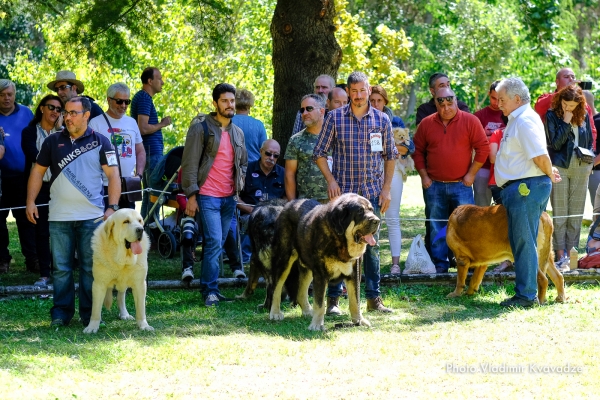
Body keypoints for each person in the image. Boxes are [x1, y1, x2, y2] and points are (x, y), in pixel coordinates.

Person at [26, 96, 121, 326]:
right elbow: (38, 172)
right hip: (59, 218)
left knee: (91, 268)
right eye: (65, 113)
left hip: (92, 218)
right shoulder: (51, 142)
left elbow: (113, 176)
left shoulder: (102, 142)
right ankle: (61, 313)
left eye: (72, 113)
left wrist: (113, 207)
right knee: (61, 269)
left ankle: (90, 315)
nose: (66, 117)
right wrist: (30, 201)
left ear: (86, 115)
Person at [313, 71, 398, 313]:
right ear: (348, 92)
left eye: (363, 90)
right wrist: (330, 180)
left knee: (371, 245)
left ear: (369, 91)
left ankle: (373, 299)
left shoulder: (382, 120)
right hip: (344, 200)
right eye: (354, 91)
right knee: (339, 244)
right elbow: (319, 153)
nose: (359, 96)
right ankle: (333, 301)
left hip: (371, 194)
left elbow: (391, 156)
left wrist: (386, 189)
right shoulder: (334, 118)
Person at [495, 77, 561, 308]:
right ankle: (525, 293)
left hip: (526, 188)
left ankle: (526, 295)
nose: (498, 104)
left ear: (516, 98)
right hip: (521, 187)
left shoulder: (524, 121)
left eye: (502, 99)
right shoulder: (518, 119)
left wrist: (549, 173)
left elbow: (539, 155)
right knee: (521, 241)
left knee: (524, 242)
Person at [180, 83, 247, 306]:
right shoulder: (201, 128)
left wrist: (238, 187)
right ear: (215, 103)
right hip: (207, 195)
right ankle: (209, 290)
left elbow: (243, 163)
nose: (230, 105)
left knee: (217, 242)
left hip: (229, 197)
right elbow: (189, 164)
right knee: (214, 241)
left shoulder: (237, 132)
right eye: (225, 101)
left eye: (232, 100)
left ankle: (213, 289)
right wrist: (191, 194)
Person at [413, 87, 489, 273]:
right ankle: (440, 265)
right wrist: (424, 176)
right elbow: (417, 152)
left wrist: (471, 174)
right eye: (442, 105)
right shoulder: (426, 123)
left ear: (456, 100)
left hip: (461, 185)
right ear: (435, 104)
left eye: (450, 103)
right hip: (434, 185)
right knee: (437, 225)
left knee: (466, 226)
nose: (446, 108)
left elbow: (483, 148)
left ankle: (468, 263)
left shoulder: (470, 121)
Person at [545, 84, 594, 271]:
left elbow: (589, 139)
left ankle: (572, 250)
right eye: (566, 104)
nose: (569, 108)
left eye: (573, 106)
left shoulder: (584, 115)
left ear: (579, 104)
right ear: (560, 100)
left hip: (582, 165)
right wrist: (566, 121)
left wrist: (589, 162)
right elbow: (555, 144)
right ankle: (560, 252)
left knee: (576, 211)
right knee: (560, 211)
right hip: (560, 165)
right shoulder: (551, 115)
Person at [368, 85, 414, 275]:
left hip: (393, 171)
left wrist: (390, 147)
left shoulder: (394, 120)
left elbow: (408, 149)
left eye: (379, 100)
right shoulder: (362, 119)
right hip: (368, 173)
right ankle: (368, 263)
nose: (376, 104)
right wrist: (392, 147)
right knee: (369, 219)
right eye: (372, 100)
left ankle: (395, 263)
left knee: (392, 217)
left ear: (385, 101)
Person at [21, 94, 64, 286]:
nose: (55, 111)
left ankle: (61, 271)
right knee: (42, 232)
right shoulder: (29, 132)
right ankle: (45, 274)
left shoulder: (64, 134)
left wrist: (60, 130)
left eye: (58, 109)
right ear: (42, 108)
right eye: (51, 107)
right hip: (38, 187)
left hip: (60, 188)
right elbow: (34, 156)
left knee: (60, 230)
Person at [89, 82, 146, 209]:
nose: (124, 105)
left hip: (128, 185)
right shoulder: (95, 123)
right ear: (109, 100)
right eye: (119, 101)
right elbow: (90, 157)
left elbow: (140, 151)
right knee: (106, 226)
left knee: (127, 226)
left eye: (127, 102)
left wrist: (139, 175)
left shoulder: (132, 122)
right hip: (104, 186)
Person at [0, 79, 37, 275]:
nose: (6, 98)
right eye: (2, 94)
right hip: (0, 178)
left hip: (23, 176)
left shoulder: (26, 113)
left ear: (15, 95)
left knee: (26, 219)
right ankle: (2, 260)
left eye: (9, 94)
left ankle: (32, 259)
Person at [130, 67, 172, 219]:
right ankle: (152, 228)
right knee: (155, 192)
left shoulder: (144, 98)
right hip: (150, 153)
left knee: (149, 193)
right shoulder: (143, 98)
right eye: (159, 78)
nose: (162, 82)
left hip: (149, 152)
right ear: (150, 80)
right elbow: (142, 128)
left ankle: (146, 230)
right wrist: (162, 123)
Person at [285, 94, 329, 202]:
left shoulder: (335, 136)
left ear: (322, 111)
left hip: (334, 203)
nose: (304, 113)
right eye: (302, 110)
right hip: (306, 204)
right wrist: (293, 206)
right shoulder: (295, 140)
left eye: (309, 109)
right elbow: (289, 174)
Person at [473, 81, 506, 206]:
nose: (497, 103)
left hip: (503, 169)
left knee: (503, 210)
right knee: (481, 208)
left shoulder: (509, 115)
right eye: (493, 98)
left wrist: (486, 137)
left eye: (500, 99)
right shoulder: (478, 116)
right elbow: (474, 142)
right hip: (483, 167)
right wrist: (495, 137)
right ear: (488, 94)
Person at [231, 89, 267, 162]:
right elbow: (265, 149)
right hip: (254, 168)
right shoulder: (259, 125)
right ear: (249, 106)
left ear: (235, 105)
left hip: (231, 167)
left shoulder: (227, 122)